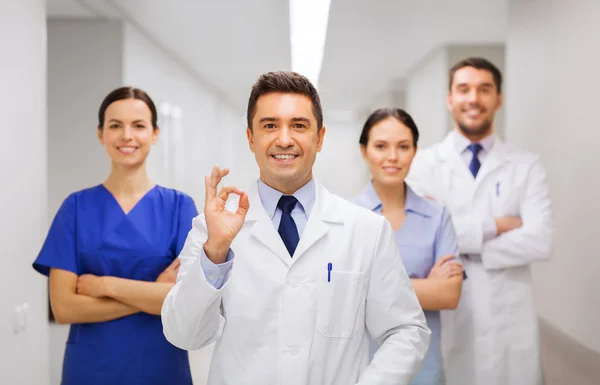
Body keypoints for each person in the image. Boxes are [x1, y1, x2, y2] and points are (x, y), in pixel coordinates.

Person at [161, 71, 430, 385]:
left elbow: (406, 330)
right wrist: (216, 252)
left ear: (320, 138)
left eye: (299, 125)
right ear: (251, 138)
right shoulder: (211, 229)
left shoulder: (366, 230)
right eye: (270, 125)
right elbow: (184, 335)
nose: (285, 139)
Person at [33, 86, 198, 385]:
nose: (127, 136)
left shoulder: (179, 207)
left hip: (160, 367)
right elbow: (63, 307)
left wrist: (104, 285)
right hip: (91, 369)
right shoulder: (76, 207)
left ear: (155, 133)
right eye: (115, 126)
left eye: (138, 125)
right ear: (100, 135)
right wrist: (150, 294)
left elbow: (184, 299)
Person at [406, 57, 553, 385]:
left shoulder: (526, 166)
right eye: (464, 89)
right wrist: (497, 226)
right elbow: (422, 239)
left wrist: (460, 243)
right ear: (450, 98)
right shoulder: (422, 165)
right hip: (449, 314)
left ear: (498, 98)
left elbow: (540, 241)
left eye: (484, 89)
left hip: (509, 318)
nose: (474, 98)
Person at [352, 108, 464, 385]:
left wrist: (367, 286)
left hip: (424, 369)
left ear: (415, 151)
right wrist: (426, 285)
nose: (393, 157)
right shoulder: (347, 217)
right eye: (381, 146)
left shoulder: (438, 216)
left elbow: (449, 295)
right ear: (364, 151)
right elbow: (341, 295)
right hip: (364, 369)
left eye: (403, 147)